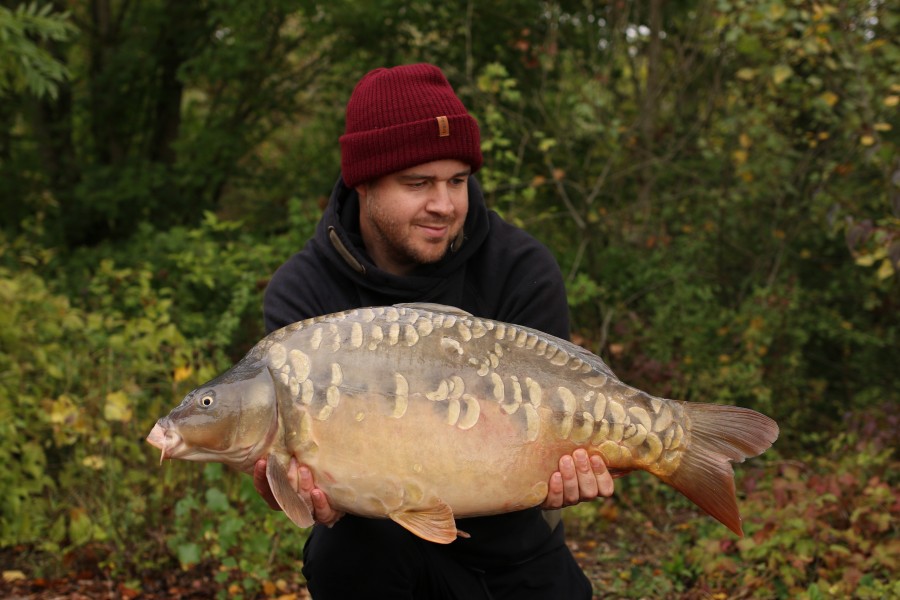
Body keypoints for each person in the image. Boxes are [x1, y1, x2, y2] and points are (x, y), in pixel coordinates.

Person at [253, 63, 614, 599]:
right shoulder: (302, 296)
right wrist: (301, 491)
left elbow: (554, 426)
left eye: (458, 181)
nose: (444, 205)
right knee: (346, 554)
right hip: (379, 553)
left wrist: (566, 469)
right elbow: (296, 467)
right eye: (418, 183)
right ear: (366, 182)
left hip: (513, 549)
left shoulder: (521, 268)